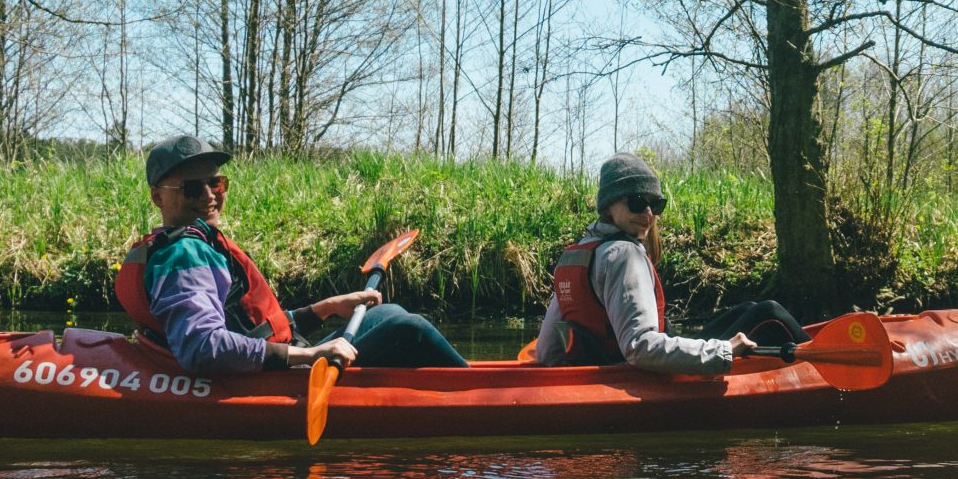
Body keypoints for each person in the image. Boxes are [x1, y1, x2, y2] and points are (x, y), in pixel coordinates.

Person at [113, 135, 468, 375]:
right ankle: (484, 391)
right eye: (193, 188)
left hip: (276, 362)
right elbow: (202, 346)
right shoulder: (184, 255)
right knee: (410, 329)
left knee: (389, 312)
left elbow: (250, 328)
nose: (209, 195)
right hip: (267, 378)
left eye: (216, 184)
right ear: (158, 197)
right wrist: (310, 354)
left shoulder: (196, 244)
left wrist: (323, 309)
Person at [533, 153, 800, 375]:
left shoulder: (580, 255)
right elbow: (640, 346)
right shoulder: (624, 255)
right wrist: (724, 351)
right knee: (769, 314)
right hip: (637, 374)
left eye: (655, 204)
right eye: (637, 202)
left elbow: (546, 351)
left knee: (750, 310)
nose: (648, 213)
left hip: (613, 365)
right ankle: (826, 378)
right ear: (608, 207)